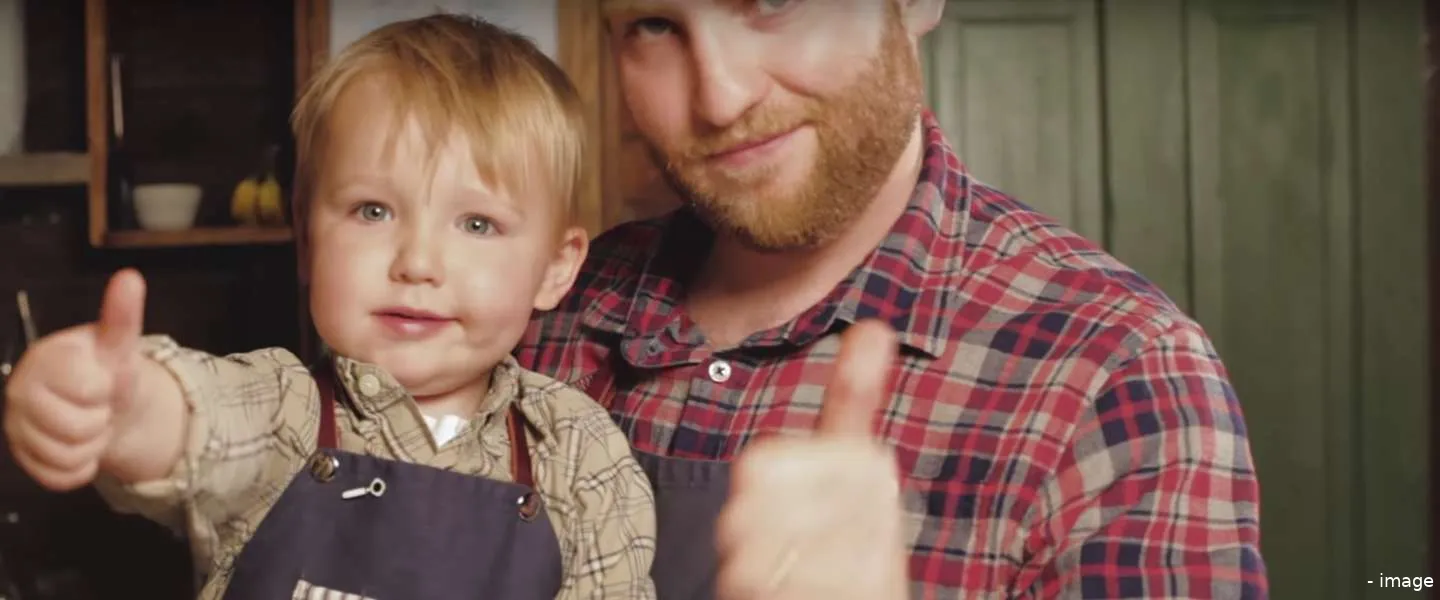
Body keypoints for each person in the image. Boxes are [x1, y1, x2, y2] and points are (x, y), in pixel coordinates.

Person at [515, 0, 1269, 598]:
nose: (719, 96)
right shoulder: (535, 311)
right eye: (653, 23)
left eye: (773, 1)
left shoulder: (1119, 373)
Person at [5, 14, 657, 600]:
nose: (417, 263)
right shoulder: (280, 410)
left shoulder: (578, 454)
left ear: (555, 267)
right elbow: (191, 419)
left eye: (478, 224)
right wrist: (118, 405)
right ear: (308, 238)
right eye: (372, 211)